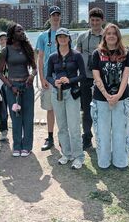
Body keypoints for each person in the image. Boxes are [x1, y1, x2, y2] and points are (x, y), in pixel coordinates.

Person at [91, 23, 129, 170]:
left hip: (121, 99)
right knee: (102, 131)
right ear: (104, 36)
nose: (111, 36)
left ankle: (120, 161)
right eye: (108, 33)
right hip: (101, 99)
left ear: (118, 36)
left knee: (120, 131)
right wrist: (107, 95)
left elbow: (126, 76)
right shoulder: (97, 53)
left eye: (114, 33)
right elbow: (96, 76)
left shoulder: (126, 53)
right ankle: (104, 161)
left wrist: (118, 95)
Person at [46, 28, 86, 169]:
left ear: (69, 38)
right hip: (57, 94)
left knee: (74, 126)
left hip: (72, 93)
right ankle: (66, 154)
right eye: (59, 36)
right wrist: (54, 82)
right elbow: (48, 75)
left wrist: (69, 80)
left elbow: (83, 75)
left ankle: (79, 156)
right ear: (56, 39)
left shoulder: (76, 55)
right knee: (62, 126)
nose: (62, 39)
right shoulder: (52, 57)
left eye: (65, 36)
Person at [0, 23, 37, 157]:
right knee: (15, 117)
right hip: (12, 87)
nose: (22, 32)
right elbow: (0, 72)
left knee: (28, 116)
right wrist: (10, 86)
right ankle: (17, 146)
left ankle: (27, 146)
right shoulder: (5, 51)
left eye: (22, 30)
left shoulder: (27, 48)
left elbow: (35, 68)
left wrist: (31, 76)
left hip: (27, 86)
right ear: (12, 34)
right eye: (19, 30)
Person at [76, 7, 104, 150]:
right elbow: (76, 56)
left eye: (97, 20)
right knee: (86, 110)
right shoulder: (82, 36)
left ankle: (103, 138)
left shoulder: (107, 35)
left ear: (102, 21)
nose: (94, 23)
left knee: (103, 110)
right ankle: (87, 137)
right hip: (85, 78)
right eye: (92, 20)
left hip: (103, 79)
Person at [36, 6, 61, 151]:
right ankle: (50, 137)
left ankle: (63, 138)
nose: (55, 17)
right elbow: (40, 58)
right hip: (48, 78)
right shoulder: (42, 36)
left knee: (63, 109)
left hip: (62, 78)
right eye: (53, 15)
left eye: (58, 15)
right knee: (50, 109)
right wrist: (42, 78)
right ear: (49, 17)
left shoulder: (65, 34)